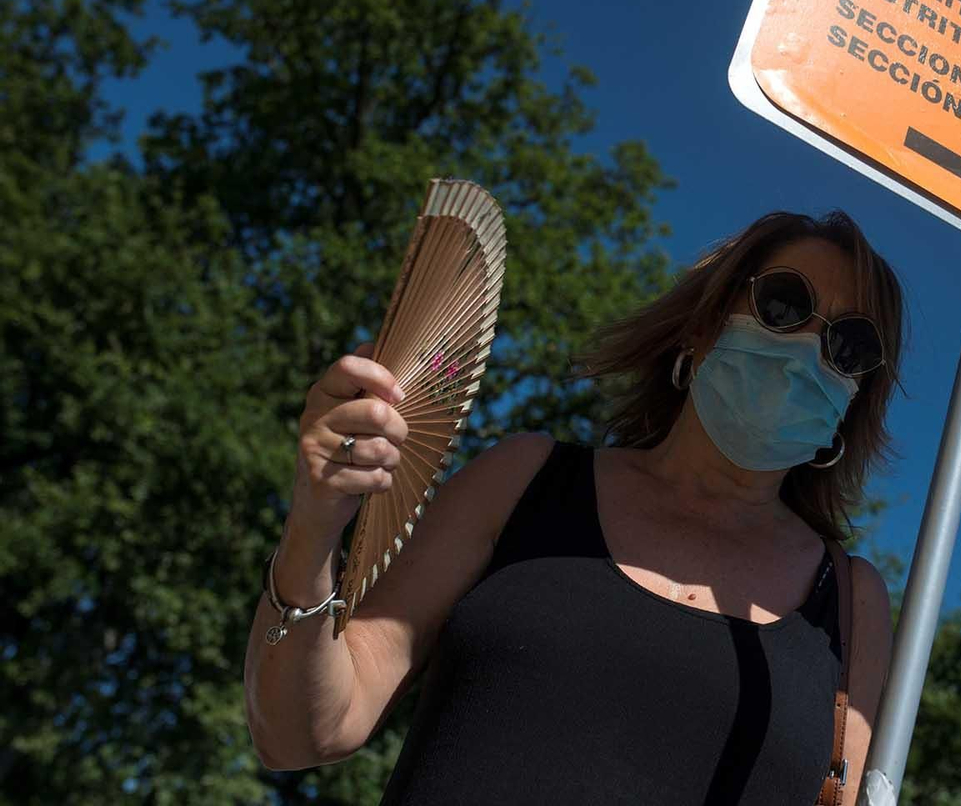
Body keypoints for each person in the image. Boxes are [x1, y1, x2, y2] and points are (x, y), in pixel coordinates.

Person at [244, 210, 904, 805]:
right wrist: (316, 521)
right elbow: (305, 732)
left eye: (849, 346)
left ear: (853, 398)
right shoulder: (524, 479)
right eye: (784, 304)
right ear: (703, 326)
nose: (804, 351)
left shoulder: (850, 604)